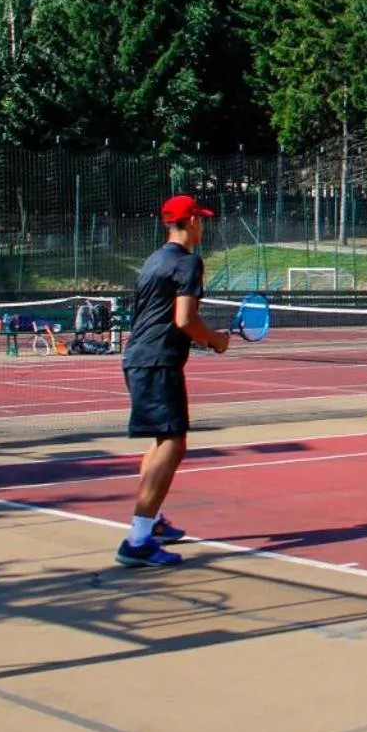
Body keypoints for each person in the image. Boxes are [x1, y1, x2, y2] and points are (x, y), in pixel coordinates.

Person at [115, 195, 228, 569]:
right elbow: (185, 320)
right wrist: (215, 340)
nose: (203, 226)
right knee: (174, 443)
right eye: (201, 220)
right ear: (192, 222)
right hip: (157, 362)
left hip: (139, 358)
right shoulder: (188, 262)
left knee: (162, 441)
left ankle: (153, 522)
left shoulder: (154, 260)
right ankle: (138, 540)